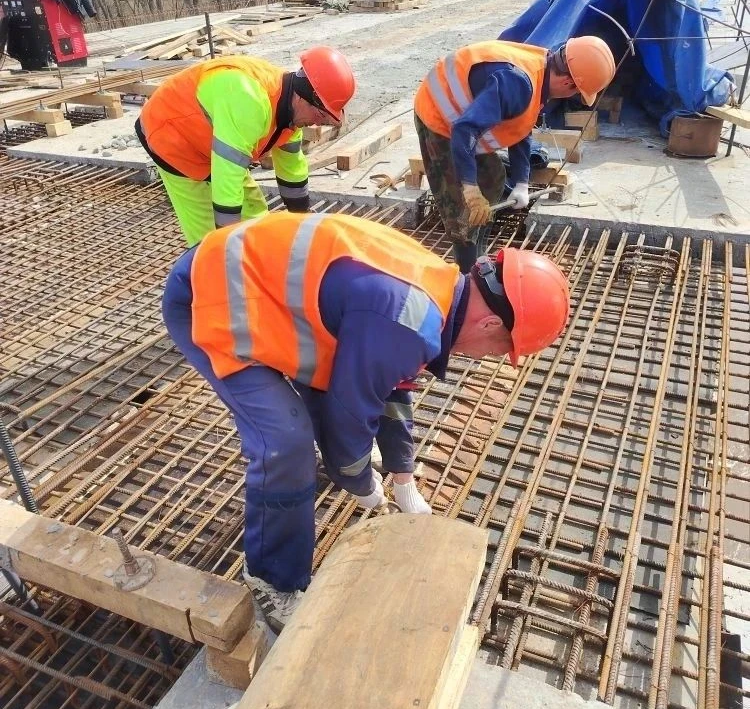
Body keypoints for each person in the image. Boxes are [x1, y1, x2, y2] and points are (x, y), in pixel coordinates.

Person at [162, 211, 570, 630]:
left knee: (327, 412)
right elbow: (348, 413)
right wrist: (359, 481)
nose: (487, 358)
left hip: (260, 294)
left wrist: (403, 475)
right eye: (500, 350)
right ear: (490, 323)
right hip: (209, 297)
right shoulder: (405, 318)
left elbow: (391, 383)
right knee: (286, 441)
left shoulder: (437, 290)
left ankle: (301, 504)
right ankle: (272, 579)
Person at [413, 36, 616, 272]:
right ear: (568, 83)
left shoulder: (541, 69)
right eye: (576, 93)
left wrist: (521, 182)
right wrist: (469, 188)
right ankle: (467, 273)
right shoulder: (518, 83)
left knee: (493, 178)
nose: (571, 97)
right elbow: (464, 130)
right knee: (462, 207)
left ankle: (479, 251)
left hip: (463, 119)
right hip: (438, 116)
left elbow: (521, 124)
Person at [135, 47, 356, 246]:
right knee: (209, 242)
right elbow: (227, 182)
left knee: (256, 219)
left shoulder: (290, 112)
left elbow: (292, 171)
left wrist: (303, 221)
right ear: (304, 98)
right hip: (172, 138)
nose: (317, 123)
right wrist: (225, 243)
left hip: (213, 143)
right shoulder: (250, 102)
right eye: (320, 115)